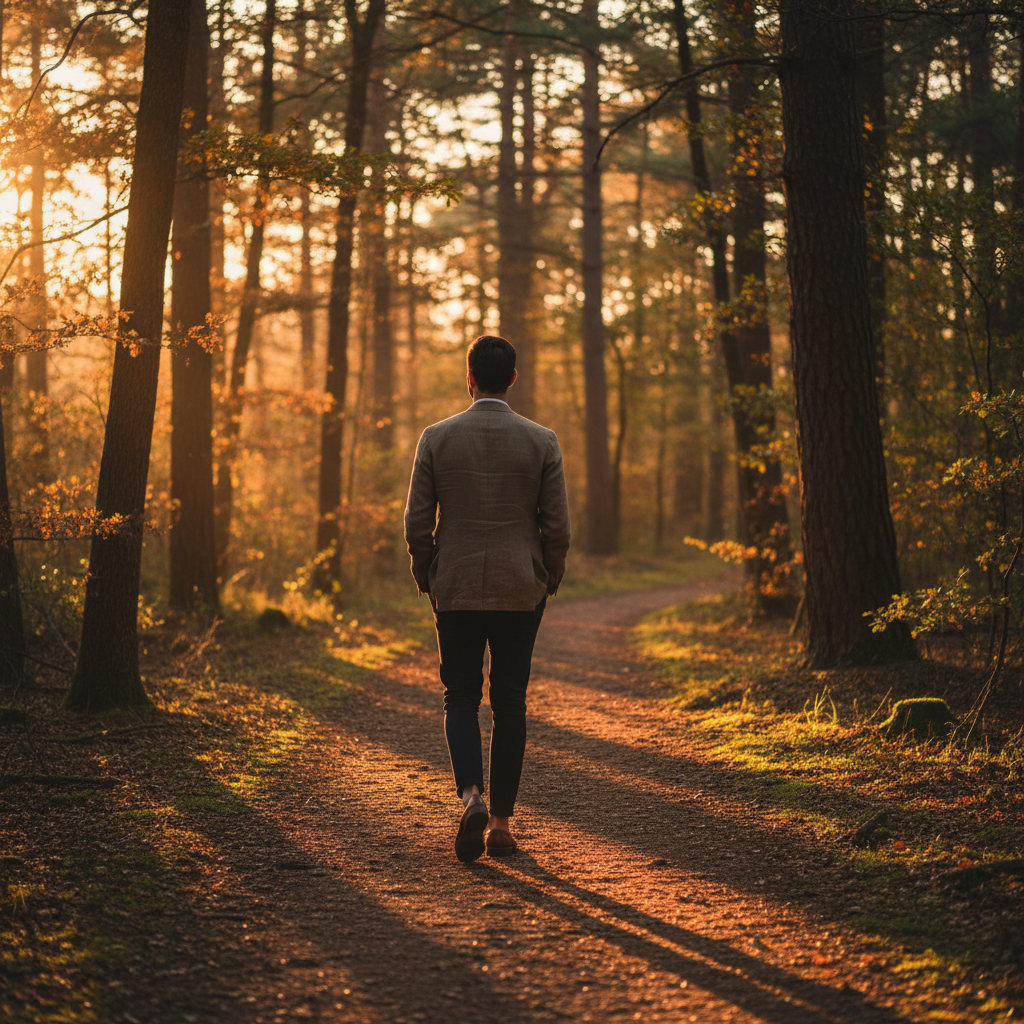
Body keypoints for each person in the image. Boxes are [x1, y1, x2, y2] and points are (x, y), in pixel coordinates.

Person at [404, 335, 571, 863]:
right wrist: (549, 575)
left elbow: (416, 521)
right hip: (520, 588)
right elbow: (557, 526)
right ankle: (500, 825)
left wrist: (425, 570)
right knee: (510, 700)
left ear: (468, 377)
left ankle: (470, 794)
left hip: (453, 586)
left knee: (459, 695)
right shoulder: (541, 441)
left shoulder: (436, 438)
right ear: (513, 379)